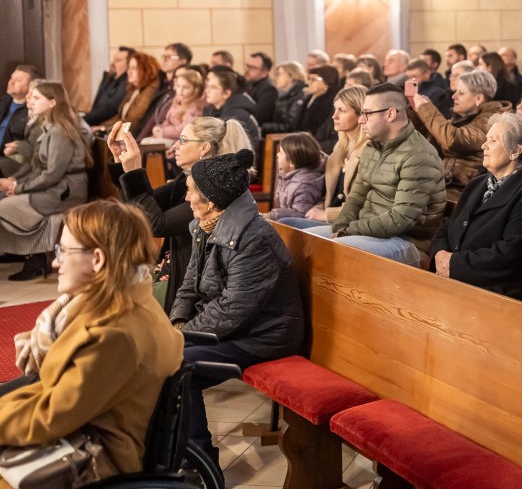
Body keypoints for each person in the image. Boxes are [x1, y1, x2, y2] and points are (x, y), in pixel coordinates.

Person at [0, 200, 184, 481]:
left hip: (92, 461)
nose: (55, 262)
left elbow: (51, 416)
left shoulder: (114, 334)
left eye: (63, 251)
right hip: (85, 432)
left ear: (97, 259)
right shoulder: (128, 302)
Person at [171, 149, 305, 468]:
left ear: (212, 201)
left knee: (178, 365)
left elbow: (234, 309)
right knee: (160, 356)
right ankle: (169, 451)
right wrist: (177, 322)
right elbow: (190, 284)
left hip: (266, 335)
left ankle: (199, 464)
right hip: (237, 328)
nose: (186, 198)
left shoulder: (254, 238)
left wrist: (181, 337)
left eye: (191, 191)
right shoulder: (204, 225)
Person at [108, 116, 252, 312]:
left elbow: (156, 224)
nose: (175, 146)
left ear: (204, 148)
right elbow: (137, 211)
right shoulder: (185, 180)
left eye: (183, 140)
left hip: (186, 286)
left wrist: (134, 172)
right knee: (105, 283)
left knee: (114, 300)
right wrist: (121, 162)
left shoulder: (214, 191)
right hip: (169, 269)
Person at [309, 85, 446, 264]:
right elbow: (356, 197)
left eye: (367, 113)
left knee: (330, 251)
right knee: (304, 240)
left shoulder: (419, 155)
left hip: (405, 240)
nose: (360, 120)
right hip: (367, 231)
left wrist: (350, 230)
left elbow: (400, 219)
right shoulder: (373, 147)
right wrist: (341, 226)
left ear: (390, 114)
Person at [427, 114, 522, 298]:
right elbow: (447, 225)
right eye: (486, 139)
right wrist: (439, 254)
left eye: (493, 140)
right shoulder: (476, 184)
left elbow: (509, 256)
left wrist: (454, 264)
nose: (483, 146)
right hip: (450, 278)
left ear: (515, 151)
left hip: (489, 292)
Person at [0, 81, 91, 281]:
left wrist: (19, 188)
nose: (31, 102)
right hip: (54, 189)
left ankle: (35, 257)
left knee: (3, 206)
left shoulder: (60, 131)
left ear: (52, 102)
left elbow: (52, 174)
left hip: (63, 193)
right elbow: (36, 166)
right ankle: (31, 256)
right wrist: (15, 183)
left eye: (37, 98)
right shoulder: (49, 127)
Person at [274, 85, 369, 229]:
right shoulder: (337, 152)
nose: (334, 116)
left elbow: (365, 205)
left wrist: (326, 214)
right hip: (330, 220)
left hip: (349, 224)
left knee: (284, 224)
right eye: (335, 109)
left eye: (342, 110)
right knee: (279, 223)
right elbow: (327, 196)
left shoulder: (369, 153)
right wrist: (317, 208)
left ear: (360, 114)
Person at [413, 69, 510, 194]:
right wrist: (416, 111)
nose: (454, 96)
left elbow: (456, 140)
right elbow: (431, 143)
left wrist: (426, 109)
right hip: (446, 182)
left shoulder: (492, 119)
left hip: (464, 189)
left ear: (478, 98)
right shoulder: (464, 117)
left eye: (461, 93)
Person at [266, 132, 326, 221]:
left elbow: (301, 214)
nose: (277, 154)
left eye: (281, 153)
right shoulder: (288, 174)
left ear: (292, 163)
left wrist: (272, 215)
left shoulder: (304, 185)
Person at [103, 52, 163, 138]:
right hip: (123, 131)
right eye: (129, 68)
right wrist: (103, 125)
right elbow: (120, 115)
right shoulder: (134, 88)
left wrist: (104, 127)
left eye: (134, 68)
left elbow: (133, 119)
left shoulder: (150, 90)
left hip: (133, 134)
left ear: (146, 70)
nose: (129, 72)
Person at [203, 67, 262, 150]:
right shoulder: (211, 110)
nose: (207, 90)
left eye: (213, 87)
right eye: (208, 86)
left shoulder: (237, 115)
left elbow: (233, 148)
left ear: (226, 93)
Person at [144, 67, 205, 146]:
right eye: (179, 86)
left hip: (179, 141)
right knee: (145, 141)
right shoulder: (176, 102)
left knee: (151, 144)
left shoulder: (195, 108)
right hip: (166, 136)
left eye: (185, 87)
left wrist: (164, 132)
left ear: (195, 89)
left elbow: (184, 128)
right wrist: (159, 128)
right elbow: (167, 120)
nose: (181, 90)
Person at [0, 65, 37, 177]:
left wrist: (17, 147)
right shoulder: (3, 101)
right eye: (11, 78)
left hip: (11, 158)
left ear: (30, 86)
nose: (11, 82)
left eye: (18, 80)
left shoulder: (34, 109)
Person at [84, 46, 132, 126]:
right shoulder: (111, 79)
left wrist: (83, 120)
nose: (113, 63)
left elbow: (109, 109)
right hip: (96, 122)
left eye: (118, 60)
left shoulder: (126, 83)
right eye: (114, 59)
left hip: (105, 125)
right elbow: (97, 105)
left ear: (128, 64)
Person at [300, 65, 339, 150]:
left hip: (317, 144)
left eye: (313, 79)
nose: (309, 82)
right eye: (309, 78)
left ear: (327, 82)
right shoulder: (309, 98)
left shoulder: (332, 102)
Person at [264, 61, 309, 134]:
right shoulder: (285, 95)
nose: (276, 78)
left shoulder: (299, 96)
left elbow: (291, 127)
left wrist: (264, 128)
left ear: (291, 76)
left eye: (279, 74)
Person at [243, 53, 278, 126]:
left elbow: (259, 117)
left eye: (252, 68)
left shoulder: (268, 89)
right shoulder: (249, 83)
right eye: (247, 66)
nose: (247, 70)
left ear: (264, 72)